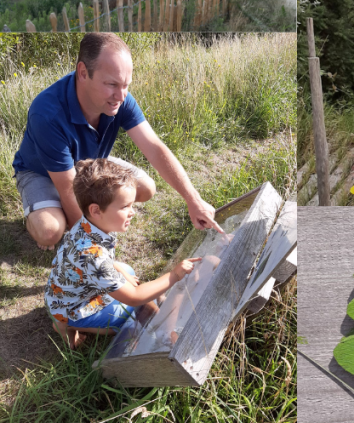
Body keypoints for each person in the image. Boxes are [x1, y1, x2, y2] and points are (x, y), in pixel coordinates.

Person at [12, 32, 223, 250]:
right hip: (42, 173)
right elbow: (68, 189)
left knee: (145, 188)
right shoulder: (47, 113)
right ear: (83, 72)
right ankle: (41, 214)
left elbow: (155, 148)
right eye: (112, 84)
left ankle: (68, 213)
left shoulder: (120, 100)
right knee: (50, 231)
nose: (121, 96)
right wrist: (98, 252)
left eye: (126, 85)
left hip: (89, 164)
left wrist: (194, 200)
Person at [45, 158, 203, 349]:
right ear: (95, 210)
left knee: (126, 270)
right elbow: (134, 297)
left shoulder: (86, 225)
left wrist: (118, 269)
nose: (132, 212)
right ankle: (66, 325)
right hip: (75, 308)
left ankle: (64, 322)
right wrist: (174, 275)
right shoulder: (92, 254)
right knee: (135, 314)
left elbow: (97, 263)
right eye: (124, 206)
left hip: (62, 293)